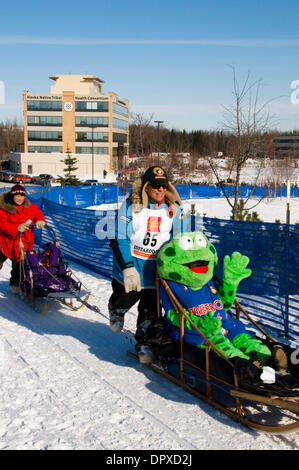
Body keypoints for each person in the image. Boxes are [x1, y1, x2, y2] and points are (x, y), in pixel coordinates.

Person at [109, 166, 188, 363]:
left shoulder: (174, 210)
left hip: (156, 270)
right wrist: (127, 267)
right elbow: (119, 237)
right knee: (130, 295)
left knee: (151, 308)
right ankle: (116, 309)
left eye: (163, 185)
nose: (160, 189)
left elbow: (179, 240)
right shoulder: (130, 206)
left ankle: (144, 342)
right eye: (155, 185)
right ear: (146, 186)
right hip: (132, 266)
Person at [0, 184, 46, 293]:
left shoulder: (30, 207)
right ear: (12, 196)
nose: (19, 199)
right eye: (17, 196)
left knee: (19, 265)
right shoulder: (4, 208)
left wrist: (40, 220)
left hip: (23, 242)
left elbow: (38, 214)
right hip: (6, 242)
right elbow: (2, 224)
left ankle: (15, 283)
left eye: (22, 196)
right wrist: (16, 228)